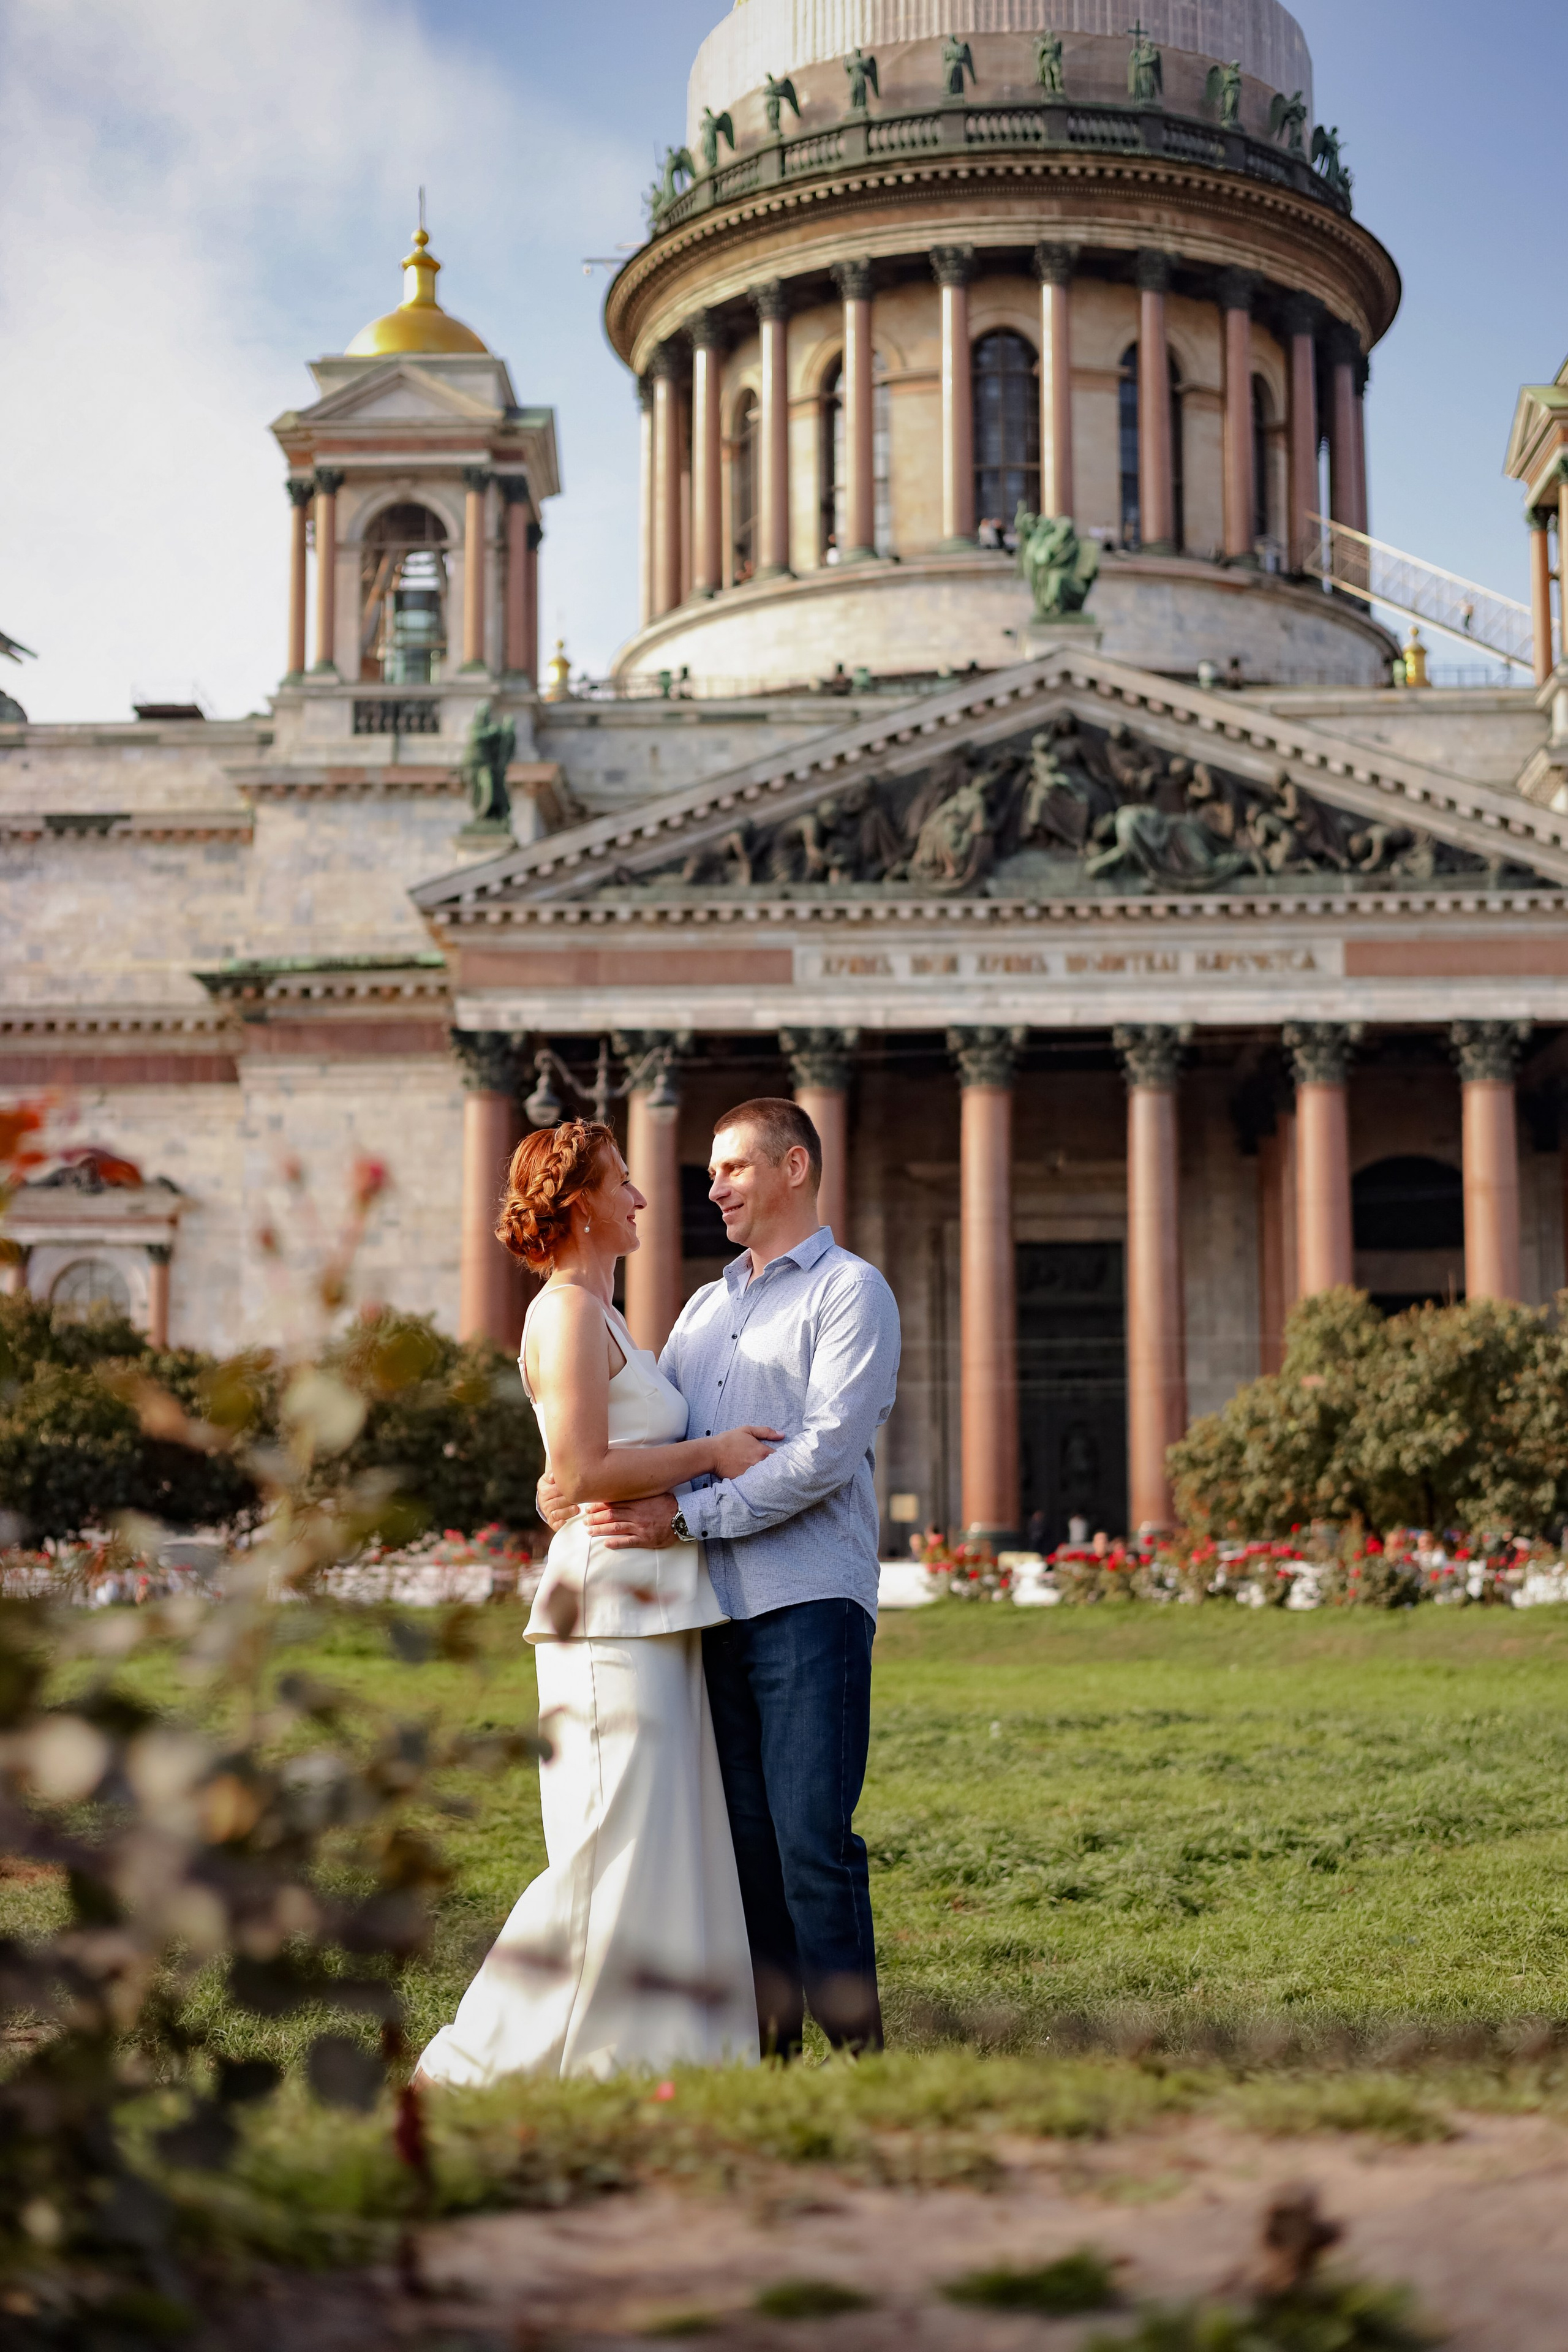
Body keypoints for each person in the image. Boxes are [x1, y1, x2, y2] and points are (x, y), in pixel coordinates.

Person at [415, 1121, 777, 2086]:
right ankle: (489, 2061)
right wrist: (712, 1453)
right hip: (608, 1615)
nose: (643, 1199)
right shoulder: (568, 1313)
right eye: (624, 1182)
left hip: (654, 1610)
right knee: (606, 1841)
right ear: (579, 1203)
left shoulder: (603, 1315)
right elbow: (581, 1469)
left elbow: (566, 1468)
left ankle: (654, 2047)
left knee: (660, 1835)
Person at [543, 1098, 902, 2055]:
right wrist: (567, 1480)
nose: (711, 1187)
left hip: (806, 1602)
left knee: (811, 1848)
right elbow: (664, 1437)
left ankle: (860, 2056)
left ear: (794, 1169)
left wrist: (687, 1516)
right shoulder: (704, 1309)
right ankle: (772, 2052)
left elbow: (826, 1453)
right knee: (742, 1851)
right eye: (711, 1171)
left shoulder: (850, 1293)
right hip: (705, 1616)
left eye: (734, 1168)